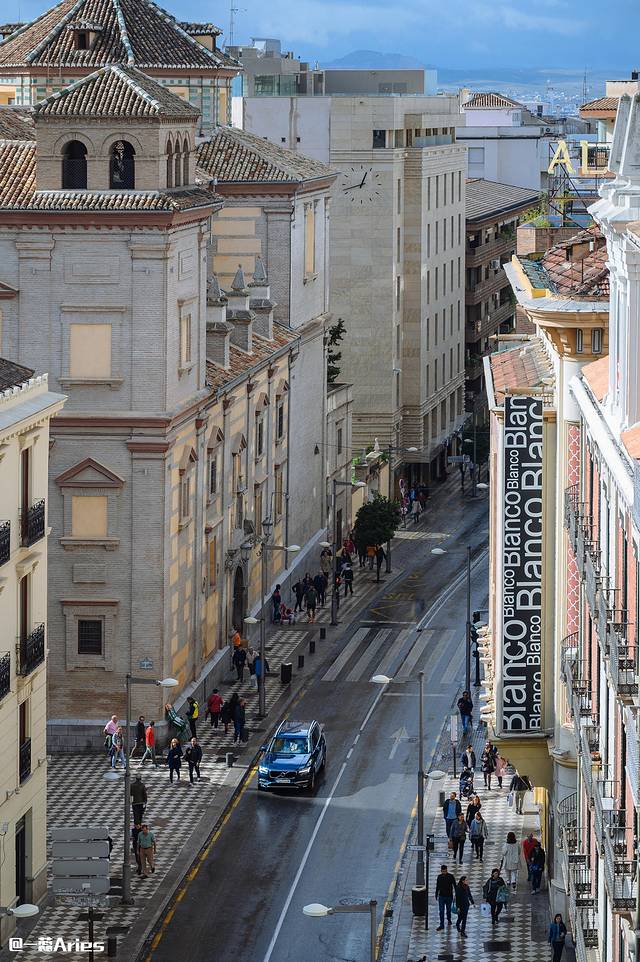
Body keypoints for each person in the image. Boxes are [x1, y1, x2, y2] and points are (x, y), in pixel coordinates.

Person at [435, 864, 456, 930]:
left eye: (445, 871)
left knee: (448, 910)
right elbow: (437, 886)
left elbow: (455, 885)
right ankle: (442, 925)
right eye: (443, 871)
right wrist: (436, 894)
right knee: (441, 911)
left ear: (447, 870)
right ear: (441, 871)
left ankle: (449, 920)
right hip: (441, 896)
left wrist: (456, 895)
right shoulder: (439, 877)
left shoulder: (451, 876)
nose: (444, 872)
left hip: (449, 896)